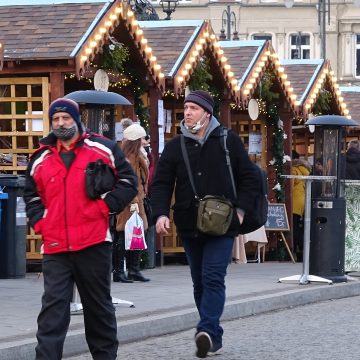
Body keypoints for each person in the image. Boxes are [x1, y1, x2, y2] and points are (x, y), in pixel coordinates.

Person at [23, 98, 138, 360]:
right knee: (52, 313)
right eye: (56, 119)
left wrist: (103, 208)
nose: (61, 123)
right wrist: (42, 223)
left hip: (93, 243)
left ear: (76, 120)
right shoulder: (40, 158)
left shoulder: (102, 148)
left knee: (98, 310)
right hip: (56, 247)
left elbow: (129, 182)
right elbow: (31, 196)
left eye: (65, 118)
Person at [151, 90, 260, 358]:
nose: (187, 113)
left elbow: (250, 178)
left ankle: (207, 331)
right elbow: (162, 183)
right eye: (186, 108)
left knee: (213, 277)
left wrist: (241, 212)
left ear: (207, 113)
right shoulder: (176, 146)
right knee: (199, 282)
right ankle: (214, 337)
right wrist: (160, 214)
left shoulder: (227, 141)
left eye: (193, 108)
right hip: (189, 223)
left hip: (223, 224)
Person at [114, 123, 151, 282]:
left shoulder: (137, 154)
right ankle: (119, 271)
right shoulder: (130, 157)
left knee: (137, 233)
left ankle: (133, 269)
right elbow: (130, 181)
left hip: (137, 199)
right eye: (142, 137)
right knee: (123, 235)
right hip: (130, 200)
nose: (144, 140)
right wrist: (134, 201)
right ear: (136, 139)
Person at [291, 150, 311, 262]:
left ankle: (298, 250)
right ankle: (303, 251)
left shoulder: (294, 170)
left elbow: (291, 185)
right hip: (303, 200)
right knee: (299, 226)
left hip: (294, 200)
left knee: (294, 228)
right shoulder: (305, 170)